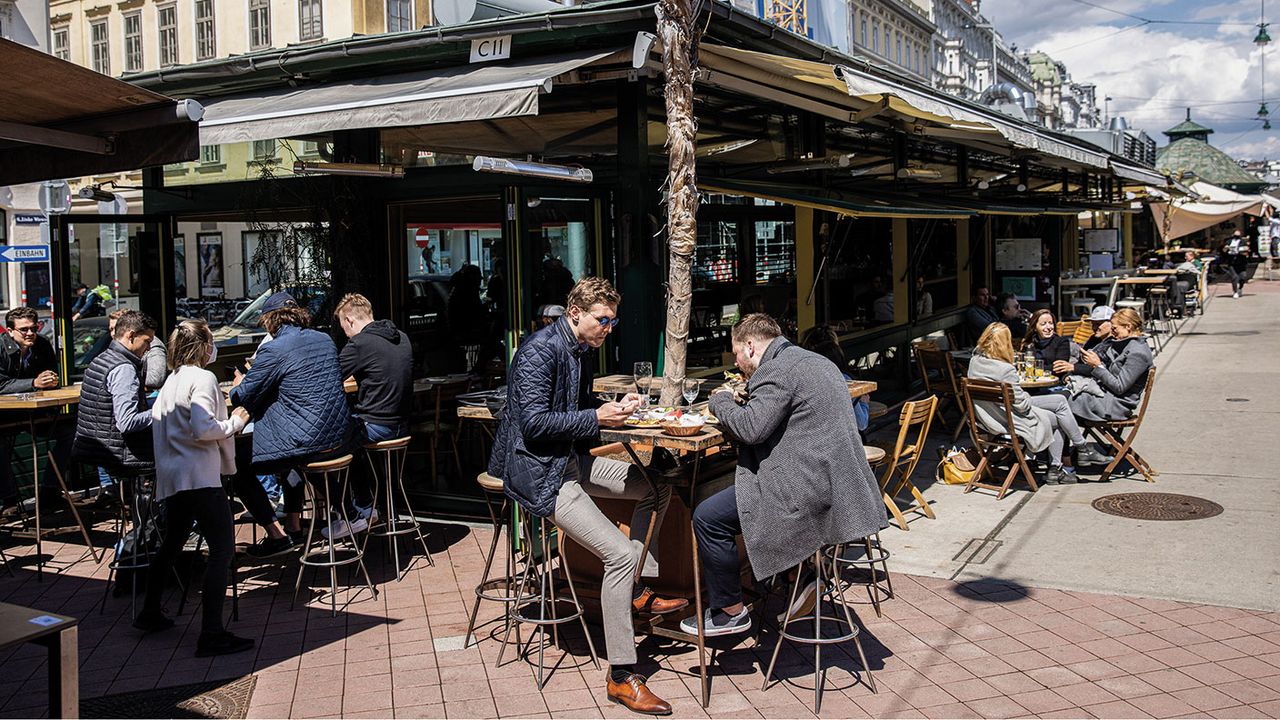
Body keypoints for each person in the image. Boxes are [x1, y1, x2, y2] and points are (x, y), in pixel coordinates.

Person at [488, 276, 686, 715]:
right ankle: (620, 677)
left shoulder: (578, 350)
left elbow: (575, 419)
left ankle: (632, 586)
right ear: (574, 313)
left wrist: (615, 415)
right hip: (543, 474)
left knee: (657, 485)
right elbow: (535, 424)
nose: (608, 329)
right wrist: (596, 416)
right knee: (617, 554)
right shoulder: (539, 352)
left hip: (571, 462)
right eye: (603, 320)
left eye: (612, 322)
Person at [683, 313, 886, 638]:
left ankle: (730, 611)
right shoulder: (814, 361)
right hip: (840, 488)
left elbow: (750, 428)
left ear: (750, 346)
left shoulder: (777, 370)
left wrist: (719, 400)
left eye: (736, 354)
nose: (737, 363)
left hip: (808, 492)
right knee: (741, 491)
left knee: (707, 516)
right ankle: (805, 573)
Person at [134, 320, 254, 657]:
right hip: (199, 476)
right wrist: (236, 422)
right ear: (203, 346)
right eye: (211, 341)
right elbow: (204, 428)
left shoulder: (172, 382)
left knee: (172, 543)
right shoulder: (203, 378)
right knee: (222, 550)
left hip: (173, 477)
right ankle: (212, 632)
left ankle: (150, 611)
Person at [230, 292, 351, 558]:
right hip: (337, 436)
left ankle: (276, 535)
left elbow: (244, 395)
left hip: (305, 440)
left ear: (270, 320)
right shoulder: (324, 340)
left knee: (234, 463)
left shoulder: (273, 349)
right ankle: (304, 521)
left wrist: (237, 386)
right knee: (291, 455)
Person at [968, 323, 1113, 485]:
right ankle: (1074, 455)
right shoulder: (1004, 369)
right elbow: (1022, 405)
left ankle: (1072, 457)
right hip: (1008, 421)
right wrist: (1027, 396)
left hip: (987, 418)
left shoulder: (975, 361)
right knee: (1058, 413)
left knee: (1059, 403)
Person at [334, 293, 412, 536]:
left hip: (377, 426)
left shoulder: (360, 344)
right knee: (350, 436)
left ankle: (361, 511)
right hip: (403, 425)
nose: (345, 334)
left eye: (343, 328)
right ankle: (377, 506)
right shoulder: (402, 337)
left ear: (349, 320)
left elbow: (329, 377)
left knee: (329, 442)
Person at [0, 307, 72, 514]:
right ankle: (9, 500)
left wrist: (51, 380)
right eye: (24, 329)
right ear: (10, 331)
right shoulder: (1, 348)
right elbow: (1, 384)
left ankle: (50, 490)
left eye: (34, 328)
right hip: (5, 417)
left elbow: (50, 374)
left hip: (36, 414)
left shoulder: (41, 345)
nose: (31, 333)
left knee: (70, 433)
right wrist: (34, 382)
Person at [1064, 308, 1154, 423]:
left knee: (1060, 403)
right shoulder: (1127, 345)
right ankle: (1071, 440)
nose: (1112, 331)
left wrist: (1098, 365)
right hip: (1106, 398)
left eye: (1115, 328)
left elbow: (1119, 387)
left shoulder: (1137, 353)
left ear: (1128, 327)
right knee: (1058, 403)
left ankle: (1076, 441)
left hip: (1114, 406)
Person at [800, 325, 870, 431]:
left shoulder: (801, 379)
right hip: (838, 443)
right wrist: (864, 403)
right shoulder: (842, 380)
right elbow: (861, 423)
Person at [1021, 309, 1072, 378]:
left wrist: (1035, 368)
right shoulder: (1029, 343)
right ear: (1035, 328)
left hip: (1053, 381)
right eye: (1043, 324)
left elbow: (1059, 368)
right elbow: (1024, 365)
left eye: (1051, 323)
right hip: (1032, 381)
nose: (1048, 327)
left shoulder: (1061, 342)